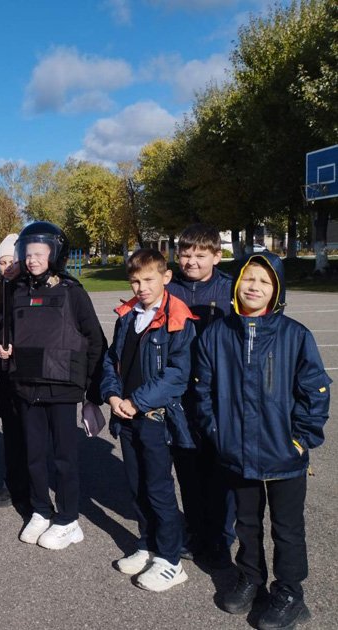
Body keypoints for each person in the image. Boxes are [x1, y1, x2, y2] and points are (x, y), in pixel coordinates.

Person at [195, 253, 331, 628]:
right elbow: (202, 391)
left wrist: (300, 440)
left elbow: (316, 392)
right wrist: (218, 434)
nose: (254, 286)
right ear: (236, 283)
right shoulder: (218, 334)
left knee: (287, 528)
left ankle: (290, 592)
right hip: (236, 453)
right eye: (248, 278)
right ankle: (251, 578)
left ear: (277, 291)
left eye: (264, 281)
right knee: (247, 523)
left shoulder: (295, 335)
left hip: (284, 456)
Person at [0, 222, 105, 551]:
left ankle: (69, 519)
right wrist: (6, 353)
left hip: (61, 389)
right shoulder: (16, 291)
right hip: (27, 387)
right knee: (34, 456)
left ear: (54, 254)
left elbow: (95, 341)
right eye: (27, 254)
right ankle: (41, 510)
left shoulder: (72, 292)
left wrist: (92, 392)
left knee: (64, 458)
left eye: (39, 254)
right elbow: (10, 337)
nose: (32, 260)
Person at [100, 248, 196, 592]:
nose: (141, 287)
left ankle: (170, 559)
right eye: (135, 281)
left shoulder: (177, 317)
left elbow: (177, 374)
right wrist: (112, 396)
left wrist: (136, 402)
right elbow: (112, 361)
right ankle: (148, 543)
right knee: (136, 485)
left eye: (148, 280)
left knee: (158, 490)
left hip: (154, 417)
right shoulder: (128, 316)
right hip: (125, 415)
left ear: (166, 277)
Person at [166, 224, 235, 563]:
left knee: (220, 468)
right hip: (181, 397)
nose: (191, 261)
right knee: (189, 469)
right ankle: (195, 529)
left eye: (200, 255)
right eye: (186, 254)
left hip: (219, 395)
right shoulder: (169, 289)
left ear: (216, 256)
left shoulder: (230, 291)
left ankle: (222, 535)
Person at [0, 234, 28, 509]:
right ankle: (11, 483)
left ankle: (35, 484)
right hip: (2, 373)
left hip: (26, 370)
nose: (7, 266)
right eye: (2, 261)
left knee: (31, 432)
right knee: (11, 432)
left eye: (12, 260)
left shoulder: (29, 288)